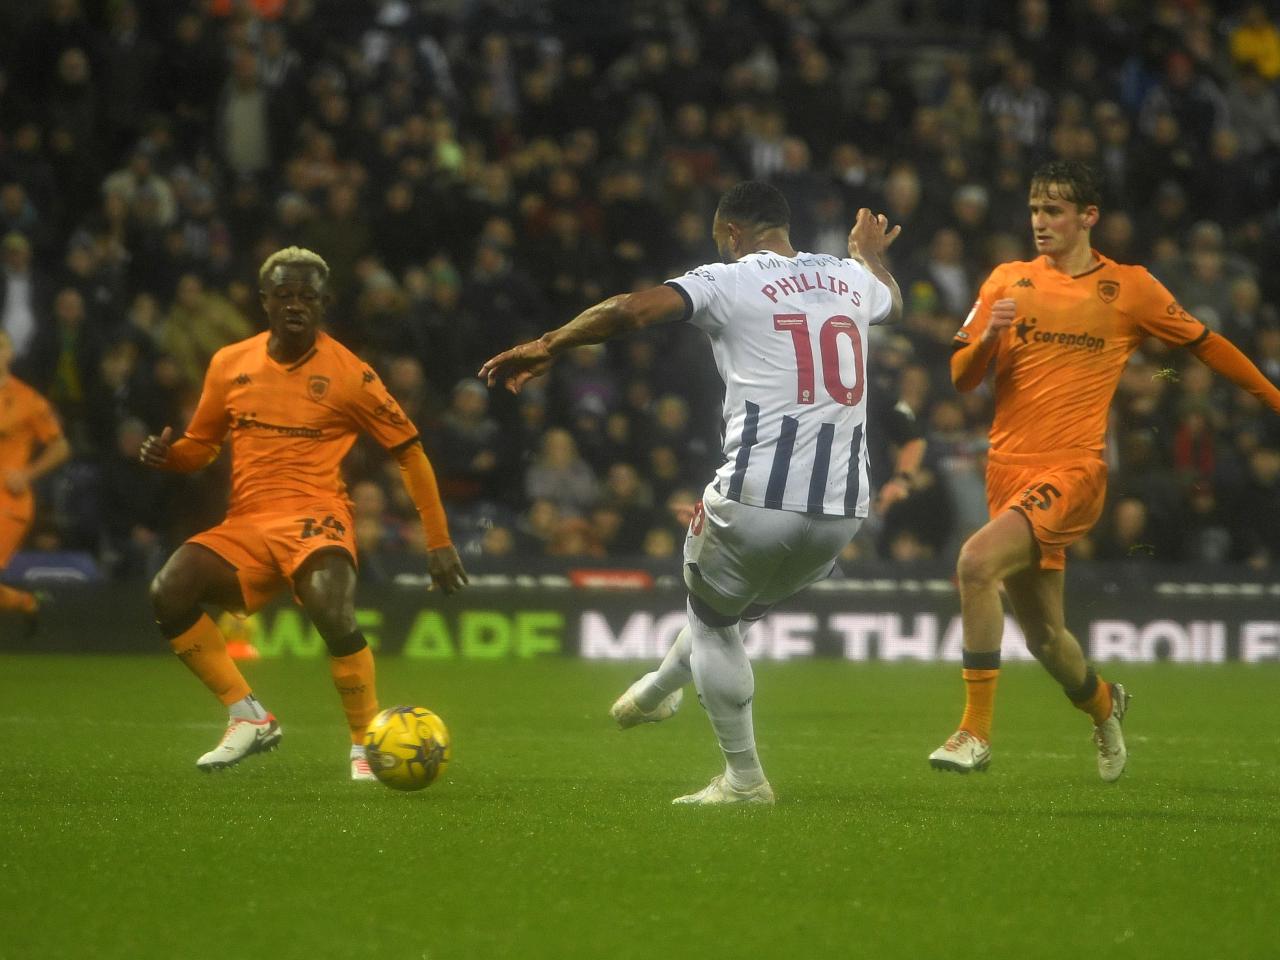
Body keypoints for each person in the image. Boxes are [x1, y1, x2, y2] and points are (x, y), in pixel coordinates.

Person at [481, 182, 902, 805]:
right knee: (724, 617)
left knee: (711, 626)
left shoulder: (729, 279)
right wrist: (869, 253)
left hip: (757, 495)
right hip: (844, 508)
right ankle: (654, 692)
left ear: (732, 233)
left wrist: (549, 344)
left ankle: (744, 779)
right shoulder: (846, 276)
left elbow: (629, 309)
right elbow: (890, 300)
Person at [930, 160, 1280, 780]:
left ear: (1088, 217)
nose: (1040, 222)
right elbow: (961, 378)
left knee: (975, 563)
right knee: (1046, 640)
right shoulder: (1007, 280)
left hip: (1074, 472)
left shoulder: (1130, 288)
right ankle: (1103, 702)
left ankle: (973, 732)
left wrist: (1273, 399)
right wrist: (988, 337)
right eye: (1036, 210)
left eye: (1055, 211)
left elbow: (1206, 344)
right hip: (1007, 472)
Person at [141, 247, 468, 779]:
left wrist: (438, 540)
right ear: (265, 301)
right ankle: (247, 716)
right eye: (285, 295)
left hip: (318, 515)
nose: (295, 305)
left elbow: (408, 450)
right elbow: (201, 445)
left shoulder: (350, 374)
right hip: (247, 523)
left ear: (324, 304)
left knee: (330, 609)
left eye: (307, 297)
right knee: (169, 590)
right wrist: (170, 457)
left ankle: (365, 745)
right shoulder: (229, 363)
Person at [0, 329, 70, 630]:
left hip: (8, 500)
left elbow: (61, 446)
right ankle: (27, 603)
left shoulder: (28, 400)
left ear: (10, 353)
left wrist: (27, 473)